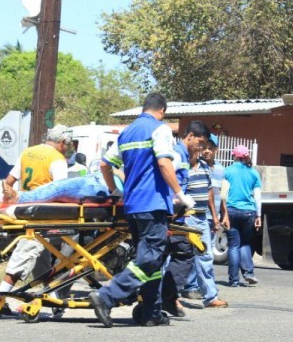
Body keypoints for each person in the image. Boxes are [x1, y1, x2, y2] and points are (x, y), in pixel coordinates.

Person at [89, 92, 196, 328]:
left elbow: (105, 164)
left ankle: (151, 311)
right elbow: (163, 162)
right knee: (149, 258)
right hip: (154, 203)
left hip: (133, 205)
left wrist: (114, 191)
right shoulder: (161, 129)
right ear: (163, 111)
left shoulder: (127, 132)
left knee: (152, 260)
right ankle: (106, 296)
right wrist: (180, 193)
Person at [0, 125, 73, 314]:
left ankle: (51, 298)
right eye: (67, 145)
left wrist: (10, 200)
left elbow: (8, 182)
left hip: (24, 211)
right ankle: (0, 296)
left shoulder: (28, 152)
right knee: (71, 249)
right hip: (44, 213)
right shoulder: (57, 159)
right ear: (62, 143)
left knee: (39, 254)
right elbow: (61, 190)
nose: (66, 149)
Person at [175, 129, 227, 309]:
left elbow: (209, 192)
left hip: (202, 219)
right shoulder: (182, 167)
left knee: (205, 257)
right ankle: (170, 296)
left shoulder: (205, 167)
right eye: (200, 146)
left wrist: (214, 216)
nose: (202, 150)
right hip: (185, 219)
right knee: (179, 258)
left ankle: (210, 296)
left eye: (205, 147)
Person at [220, 145, 262, 287]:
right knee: (245, 243)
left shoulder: (228, 171)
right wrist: (258, 216)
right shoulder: (254, 173)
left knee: (233, 245)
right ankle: (249, 273)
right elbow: (257, 197)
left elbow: (223, 196)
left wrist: (223, 214)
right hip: (249, 212)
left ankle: (234, 280)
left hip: (231, 211)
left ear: (234, 156)